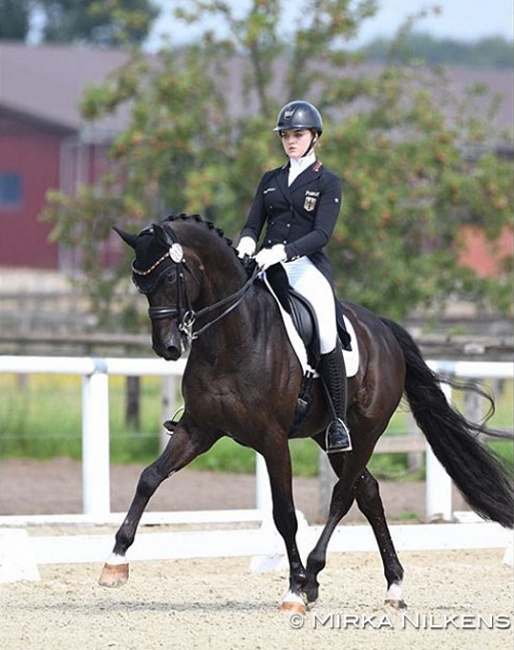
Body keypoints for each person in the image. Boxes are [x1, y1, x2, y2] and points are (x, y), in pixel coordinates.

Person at [236, 100, 352, 453]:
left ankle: (338, 422)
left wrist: (284, 252)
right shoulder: (270, 179)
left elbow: (322, 235)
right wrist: (245, 243)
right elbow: (254, 222)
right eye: (285, 135)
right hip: (264, 262)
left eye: (297, 134)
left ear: (314, 137)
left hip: (305, 266)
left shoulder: (327, 182)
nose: (290, 141)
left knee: (326, 329)